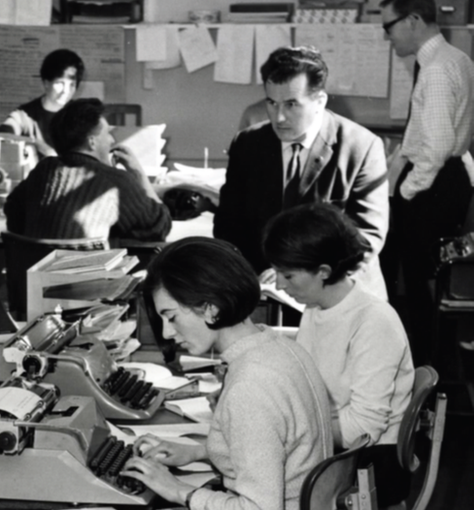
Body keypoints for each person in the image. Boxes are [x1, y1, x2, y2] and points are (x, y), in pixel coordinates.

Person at [121, 237, 332, 509]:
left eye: (171, 317)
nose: (166, 333)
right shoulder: (282, 349)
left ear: (211, 308)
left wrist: (178, 490)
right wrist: (198, 451)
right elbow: (274, 450)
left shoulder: (250, 385)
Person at [263, 203, 414, 507]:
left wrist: (285, 430)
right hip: (336, 449)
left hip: (367, 466)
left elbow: (364, 429)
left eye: (288, 275)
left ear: (323, 272)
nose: (278, 285)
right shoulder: (319, 306)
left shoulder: (373, 321)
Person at [214, 46, 389, 301]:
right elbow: (228, 227)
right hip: (266, 291)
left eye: (292, 104)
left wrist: (293, 274)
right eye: (272, 103)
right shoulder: (247, 144)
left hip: (340, 295)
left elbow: (366, 238)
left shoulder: (362, 146)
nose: (279, 117)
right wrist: (256, 273)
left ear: (320, 101)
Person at [380, 0, 474, 360]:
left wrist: (404, 194)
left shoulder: (434, 71)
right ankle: (436, 363)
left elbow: (435, 148)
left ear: (414, 20)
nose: (387, 36)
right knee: (431, 281)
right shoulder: (457, 58)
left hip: (431, 186)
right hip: (450, 181)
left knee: (418, 284)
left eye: (389, 27)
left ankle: (424, 368)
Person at [4, 98, 171, 241]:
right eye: (107, 133)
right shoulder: (115, 181)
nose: (112, 140)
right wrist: (138, 174)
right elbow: (159, 227)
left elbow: (13, 218)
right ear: (91, 142)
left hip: (33, 276)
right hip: (89, 277)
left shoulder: (43, 170)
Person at [0, 48, 85, 158]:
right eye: (60, 83)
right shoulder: (24, 115)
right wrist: (36, 144)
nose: (66, 91)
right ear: (46, 83)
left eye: (72, 84)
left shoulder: (80, 114)